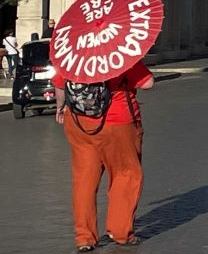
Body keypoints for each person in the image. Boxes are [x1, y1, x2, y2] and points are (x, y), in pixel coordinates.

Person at [53, 62, 154, 252]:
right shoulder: (121, 54)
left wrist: (60, 108)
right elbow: (148, 83)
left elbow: (60, 85)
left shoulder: (73, 54)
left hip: (78, 121)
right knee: (125, 174)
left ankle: (84, 237)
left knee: (84, 179)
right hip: (117, 121)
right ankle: (120, 231)